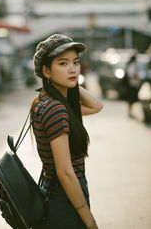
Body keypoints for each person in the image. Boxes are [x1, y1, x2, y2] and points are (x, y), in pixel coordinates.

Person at [31, 34, 103, 229]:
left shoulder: (45, 102)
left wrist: (70, 82)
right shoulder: (55, 109)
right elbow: (65, 173)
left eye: (76, 62)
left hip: (54, 191)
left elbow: (97, 106)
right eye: (63, 63)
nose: (73, 69)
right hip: (65, 198)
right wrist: (90, 221)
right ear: (46, 71)